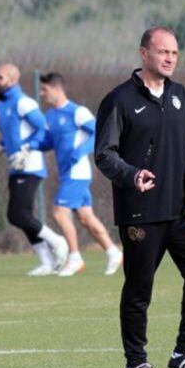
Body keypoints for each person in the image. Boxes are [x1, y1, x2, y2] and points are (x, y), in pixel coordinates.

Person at [95, 26, 185, 368]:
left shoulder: (180, 95)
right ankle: (136, 363)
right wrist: (132, 174)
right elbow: (104, 154)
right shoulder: (118, 100)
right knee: (139, 287)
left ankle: (184, 353)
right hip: (141, 212)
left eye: (174, 53)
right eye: (163, 51)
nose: (169, 58)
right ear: (144, 53)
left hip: (182, 212)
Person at [0, 63, 68, 276]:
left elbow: (43, 129)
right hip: (15, 166)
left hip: (30, 165)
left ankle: (57, 242)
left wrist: (27, 149)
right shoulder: (2, 104)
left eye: (0, 77)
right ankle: (46, 262)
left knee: (17, 214)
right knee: (21, 215)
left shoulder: (24, 102)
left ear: (13, 79)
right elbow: (12, 135)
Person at [38, 72, 123, 277]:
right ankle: (114, 252)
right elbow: (48, 142)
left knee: (59, 212)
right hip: (67, 173)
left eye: (45, 89)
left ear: (57, 89)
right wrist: (27, 147)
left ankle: (75, 257)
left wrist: (80, 151)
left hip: (77, 172)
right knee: (85, 217)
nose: (41, 93)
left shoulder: (77, 112)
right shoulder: (50, 116)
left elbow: (98, 133)